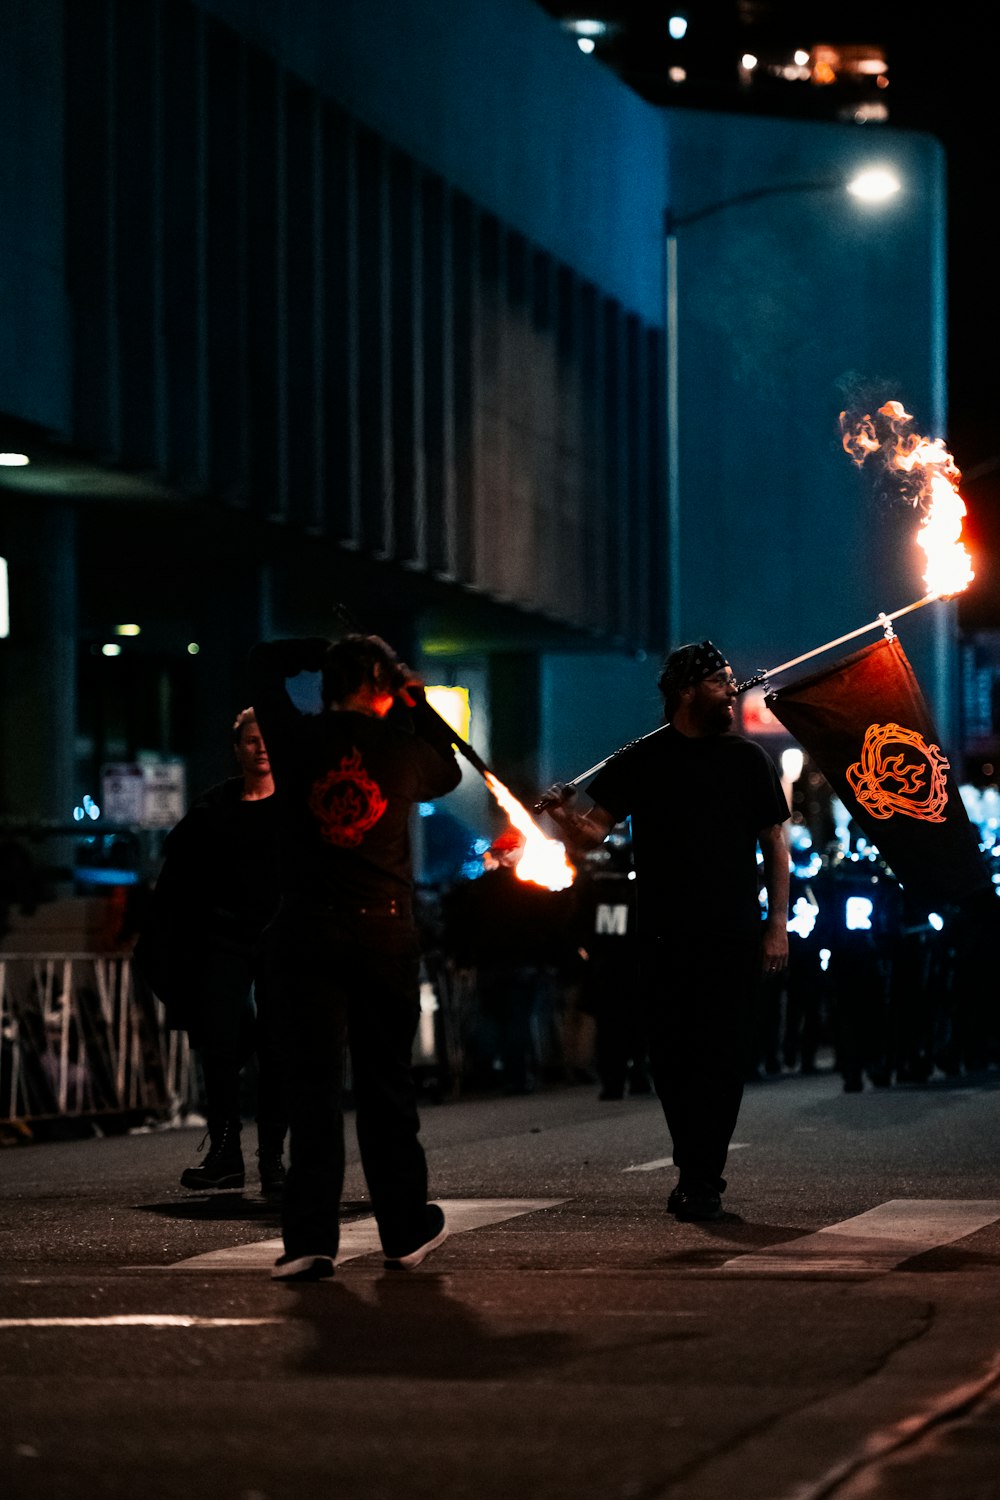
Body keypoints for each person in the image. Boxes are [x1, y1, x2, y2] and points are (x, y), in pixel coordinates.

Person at [541, 639, 790, 1222]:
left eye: (731, 679)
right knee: (671, 1057)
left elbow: (774, 843)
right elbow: (593, 832)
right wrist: (562, 817)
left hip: (732, 934)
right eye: (720, 681)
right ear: (685, 690)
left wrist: (775, 925)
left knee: (723, 1059)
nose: (733, 689)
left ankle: (702, 1177)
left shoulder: (747, 759)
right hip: (662, 936)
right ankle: (692, 1163)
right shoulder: (643, 757)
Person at [248, 631, 462, 1283]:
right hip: (383, 931)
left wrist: (320, 647)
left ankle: (310, 1239)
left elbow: (261, 666)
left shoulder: (295, 740)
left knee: (312, 1087)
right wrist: (416, 698)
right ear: (382, 685)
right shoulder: (402, 749)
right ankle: (402, 1228)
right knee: (384, 1086)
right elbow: (449, 768)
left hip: (306, 931)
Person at [134, 709, 286, 1196]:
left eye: (267, 740)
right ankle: (225, 1153)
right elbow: (180, 878)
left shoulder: (299, 808)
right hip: (224, 937)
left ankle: (272, 1159)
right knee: (218, 1044)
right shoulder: (213, 808)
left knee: (279, 1048)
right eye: (250, 740)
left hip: (284, 938)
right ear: (236, 748)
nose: (260, 747)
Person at [442, 829, 575, 1095]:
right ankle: (516, 1077)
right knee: (518, 1019)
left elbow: (459, 924)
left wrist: (461, 956)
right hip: (523, 961)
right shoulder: (528, 888)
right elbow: (549, 924)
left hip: (488, 963)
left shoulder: (478, 887)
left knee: (489, 1019)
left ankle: (485, 1075)